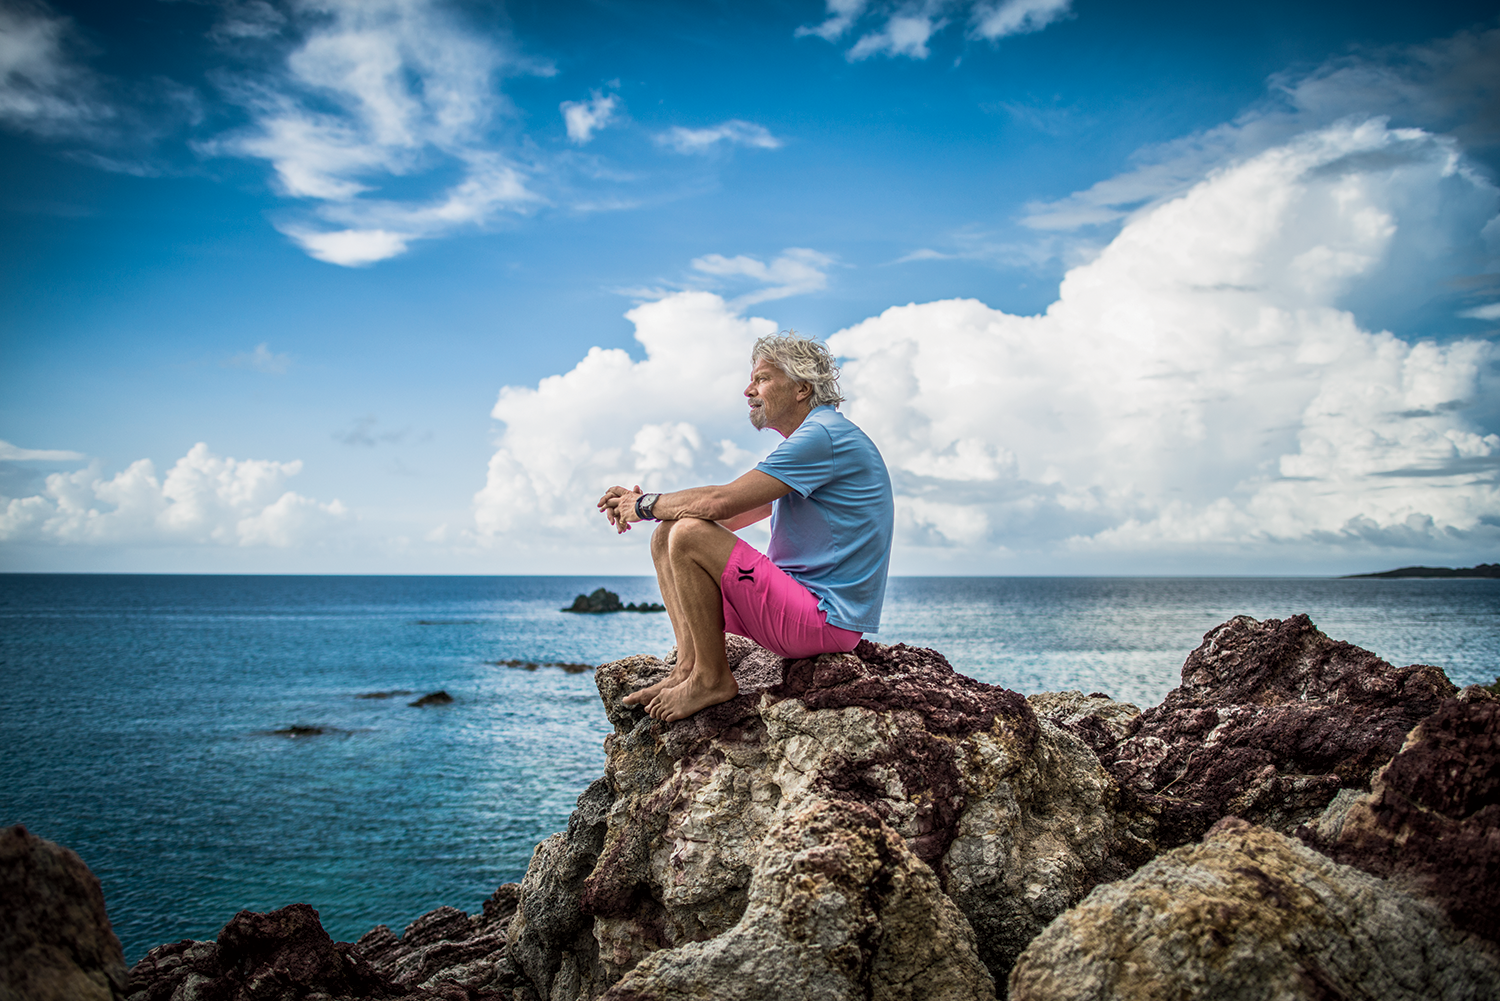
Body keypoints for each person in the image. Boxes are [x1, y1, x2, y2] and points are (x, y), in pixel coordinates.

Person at [597, 331, 894, 722]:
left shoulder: (824, 437)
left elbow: (719, 502)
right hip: (797, 611)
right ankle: (688, 668)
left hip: (823, 619)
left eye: (762, 379)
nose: (748, 390)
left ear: (803, 388)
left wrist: (646, 504)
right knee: (668, 533)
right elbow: (726, 518)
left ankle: (711, 679)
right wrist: (651, 510)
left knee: (685, 534)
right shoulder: (813, 441)